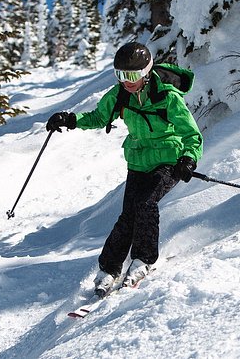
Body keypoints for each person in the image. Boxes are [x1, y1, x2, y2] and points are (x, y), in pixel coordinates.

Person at [46, 42, 203, 296]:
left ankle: (144, 260)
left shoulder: (167, 97)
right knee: (128, 215)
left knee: (146, 204)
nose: (126, 82)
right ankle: (109, 268)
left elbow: (192, 135)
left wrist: (188, 159)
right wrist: (71, 119)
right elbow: (98, 117)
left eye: (131, 76)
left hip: (169, 160)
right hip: (138, 161)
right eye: (120, 75)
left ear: (146, 72)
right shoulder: (120, 94)